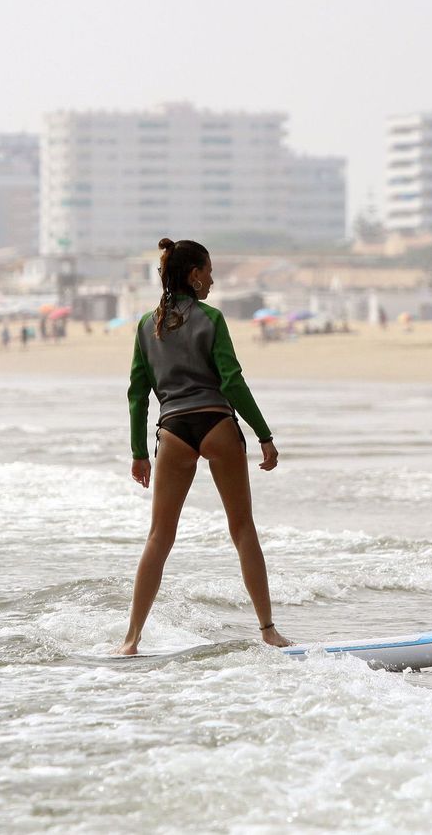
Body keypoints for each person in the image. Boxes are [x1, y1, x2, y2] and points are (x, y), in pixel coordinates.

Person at [117, 238, 290, 655]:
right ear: (194, 275)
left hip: (173, 431)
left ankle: (130, 639)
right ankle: (268, 631)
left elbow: (138, 393)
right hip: (216, 424)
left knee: (159, 536)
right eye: (209, 272)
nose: (212, 280)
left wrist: (138, 452)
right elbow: (231, 381)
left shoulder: (146, 325)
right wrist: (264, 434)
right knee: (242, 529)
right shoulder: (211, 318)